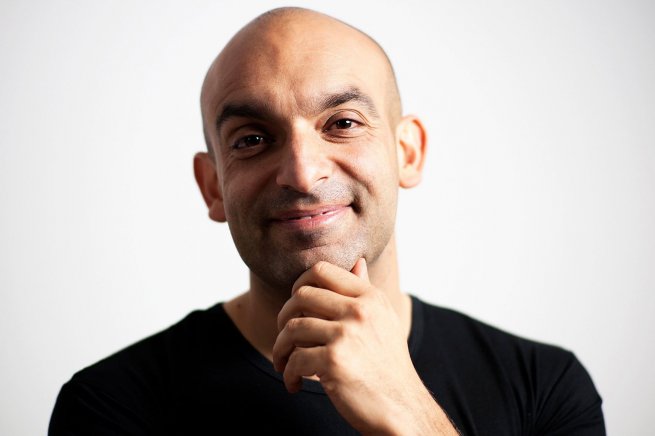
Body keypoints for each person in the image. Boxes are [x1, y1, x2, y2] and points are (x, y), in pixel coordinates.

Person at [49, 7, 605, 435]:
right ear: (213, 186)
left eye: (342, 123)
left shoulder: (544, 387)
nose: (302, 172)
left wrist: (411, 416)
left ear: (407, 152)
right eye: (252, 138)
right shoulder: (111, 405)